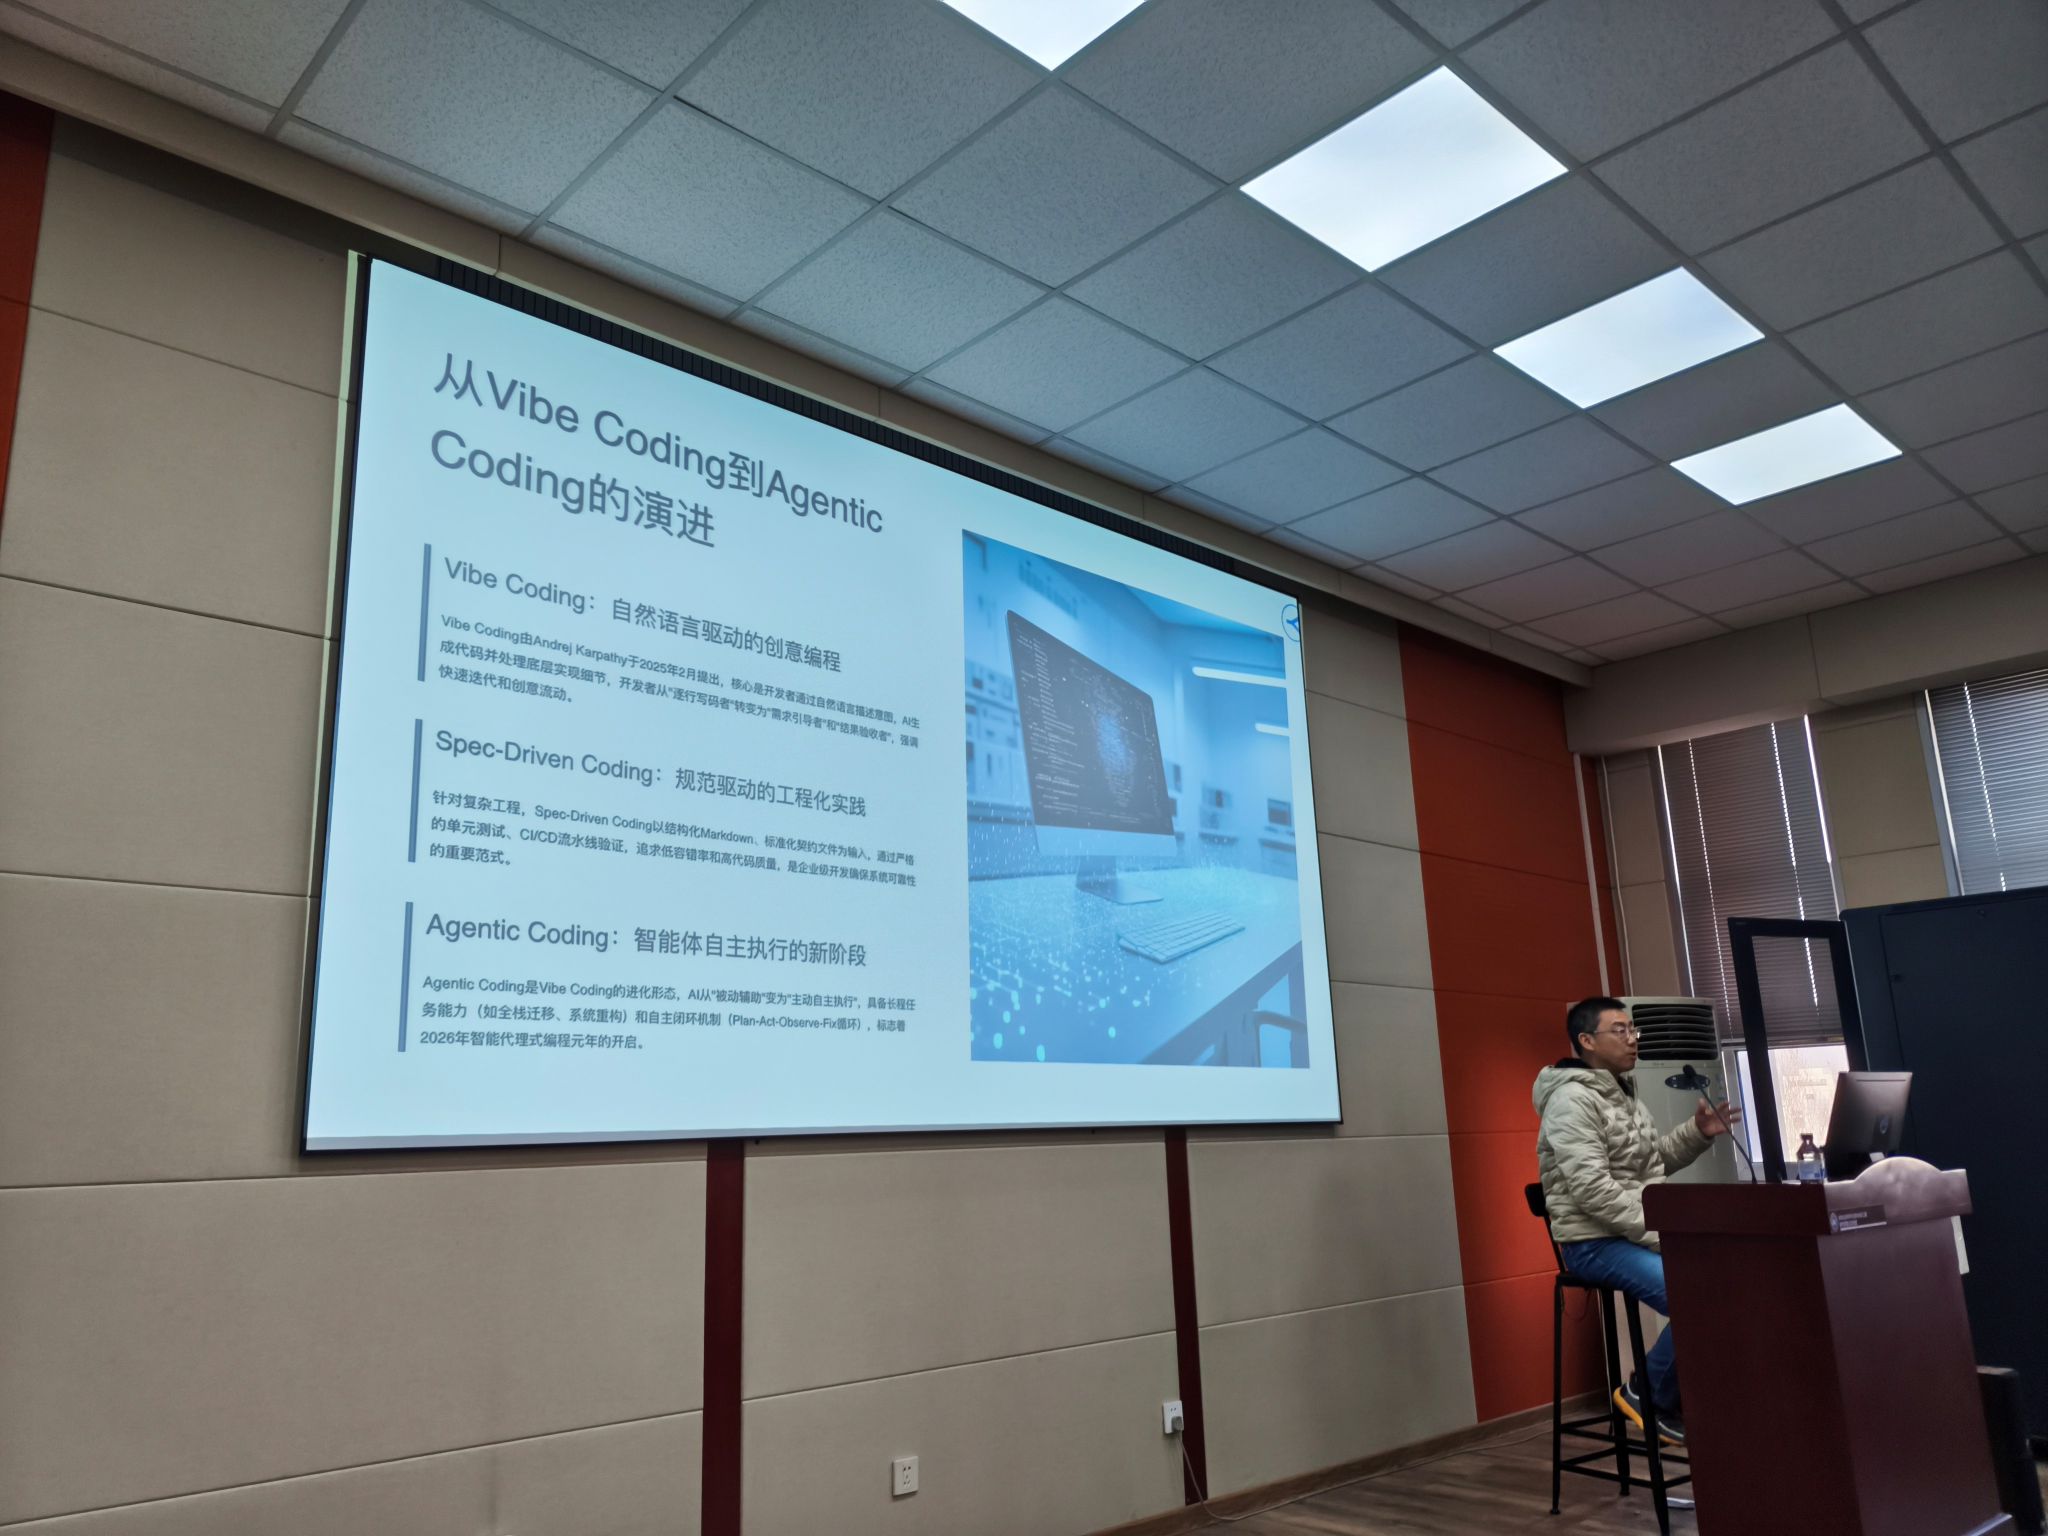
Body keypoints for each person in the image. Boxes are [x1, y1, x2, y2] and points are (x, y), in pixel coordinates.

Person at [1533, 997, 1741, 1444]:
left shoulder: (1622, 1092)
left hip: (1629, 1232)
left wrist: (1696, 1134)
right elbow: (1593, 1191)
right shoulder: (1571, 1100)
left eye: (1634, 1030)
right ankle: (1647, 1393)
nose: (1633, 1040)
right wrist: (1658, 1232)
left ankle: (1691, 1397)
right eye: (1620, 1030)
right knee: (1696, 1294)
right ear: (1587, 1041)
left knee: (1726, 1282)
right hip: (1593, 1242)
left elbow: (1651, 1164)